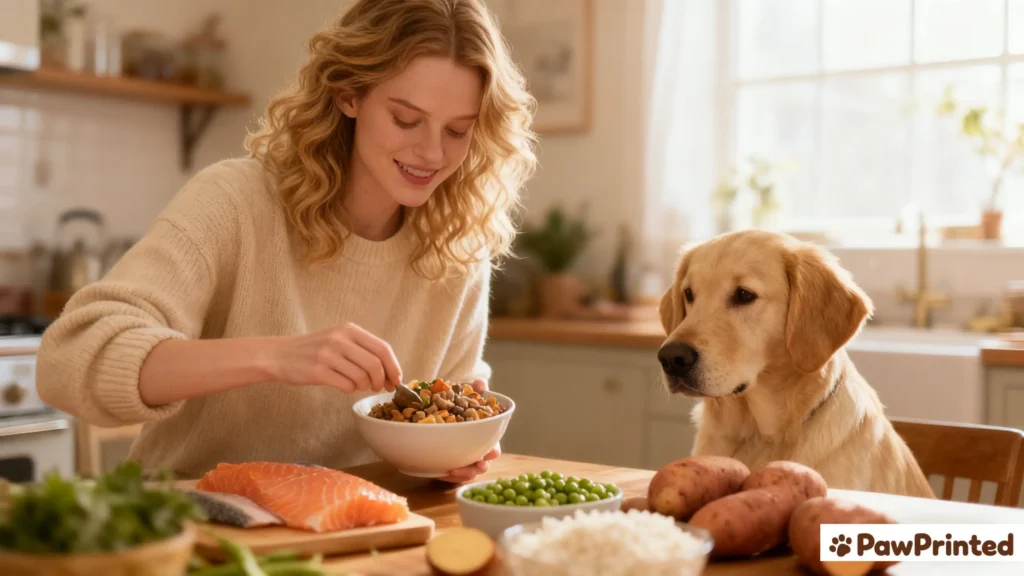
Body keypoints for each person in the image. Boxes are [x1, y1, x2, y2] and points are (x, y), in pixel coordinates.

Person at [35, 0, 537, 482]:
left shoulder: (455, 246)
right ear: (348, 95)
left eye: (457, 130)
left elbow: (443, 417)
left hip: (359, 531)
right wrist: (275, 357)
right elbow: (67, 360)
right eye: (406, 119)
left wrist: (452, 455)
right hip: (189, 523)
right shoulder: (235, 201)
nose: (431, 152)